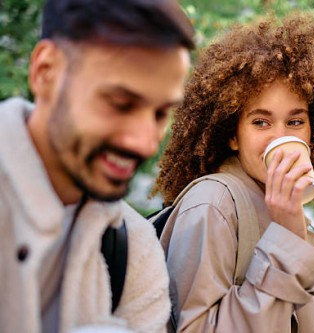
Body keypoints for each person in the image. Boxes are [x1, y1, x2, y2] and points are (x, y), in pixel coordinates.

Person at [153, 13, 314, 332]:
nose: (280, 137)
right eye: (261, 122)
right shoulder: (214, 203)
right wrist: (287, 237)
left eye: (295, 122)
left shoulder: (271, 207)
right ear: (232, 134)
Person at [0, 0, 194, 332]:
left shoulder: (132, 248)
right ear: (45, 72)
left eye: (161, 114)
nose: (145, 142)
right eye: (120, 104)